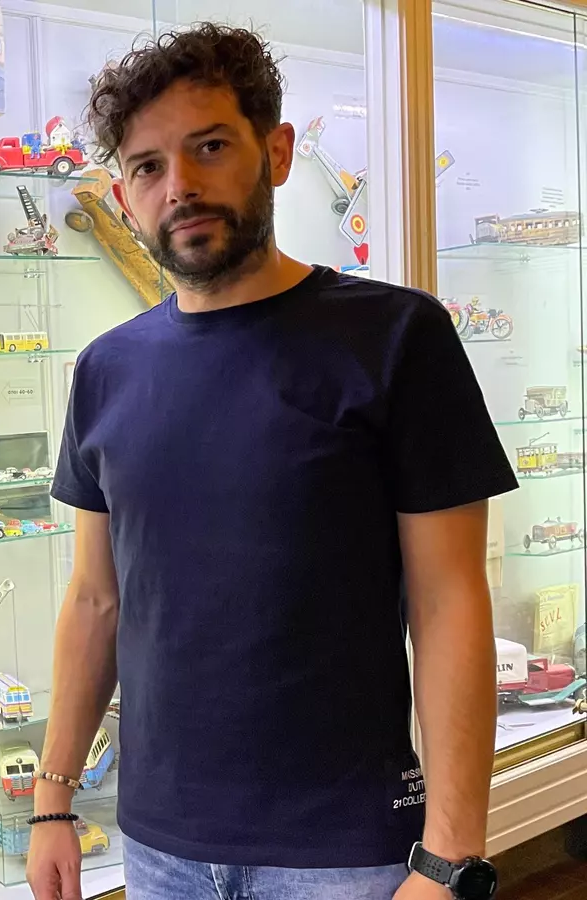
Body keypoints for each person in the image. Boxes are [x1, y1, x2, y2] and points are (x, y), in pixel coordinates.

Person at [26, 23, 514, 900]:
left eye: (210, 146)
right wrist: (52, 799)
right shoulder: (105, 371)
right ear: (123, 196)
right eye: (148, 167)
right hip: (160, 847)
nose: (180, 185)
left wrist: (449, 857)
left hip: (347, 851)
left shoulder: (396, 338)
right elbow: (96, 599)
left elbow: (448, 601)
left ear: (277, 152)